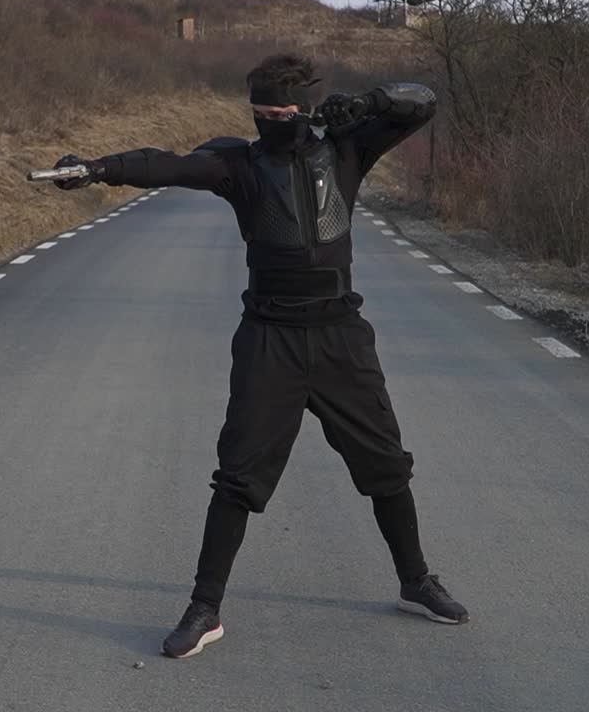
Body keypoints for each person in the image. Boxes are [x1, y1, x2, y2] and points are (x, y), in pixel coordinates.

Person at [51, 54, 469, 659]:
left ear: (304, 106)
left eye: (284, 111)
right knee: (239, 476)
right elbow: (165, 165)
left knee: (386, 466)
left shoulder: (347, 148)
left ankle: (415, 581)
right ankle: (204, 609)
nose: (275, 120)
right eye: (264, 112)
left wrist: (374, 103)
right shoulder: (239, 165)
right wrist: (96, 169)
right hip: (269, 338)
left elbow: (423, 101)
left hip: (340, 337)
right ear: (254, 112)